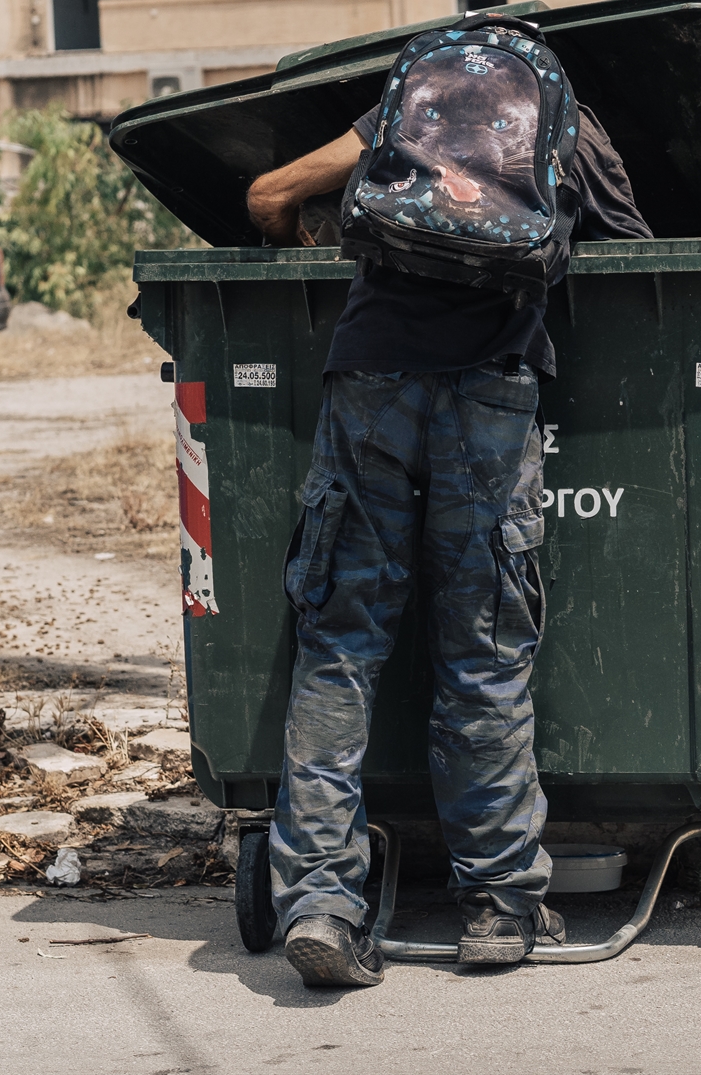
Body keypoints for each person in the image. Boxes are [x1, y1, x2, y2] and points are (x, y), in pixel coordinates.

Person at [244, 81, 652, 988]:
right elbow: (636, 255)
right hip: (489, 389)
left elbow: (269, 194)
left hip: (370, 379)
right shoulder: (567, 119)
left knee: (339, 647)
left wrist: (306, 245)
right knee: (484, 650)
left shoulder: (410, 108)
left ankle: (318, 903)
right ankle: (499, 903)